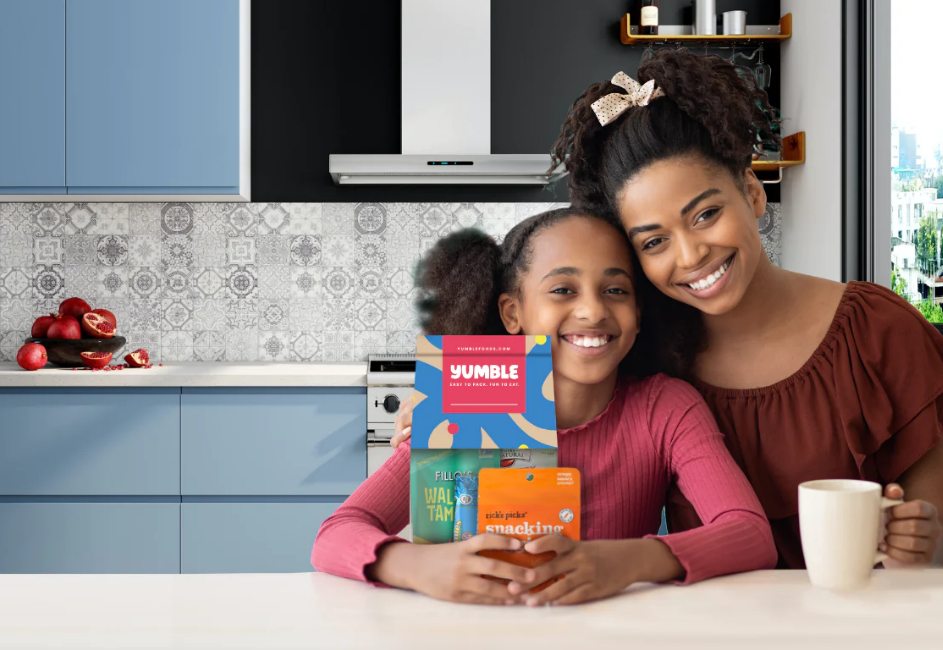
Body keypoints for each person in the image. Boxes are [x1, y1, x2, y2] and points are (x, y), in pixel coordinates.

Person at [545, 48, 943, 567]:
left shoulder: (879, 333)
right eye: (654, 242)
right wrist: (444, 409)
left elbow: (928, 538)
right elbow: (549, 419)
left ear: (752, 192)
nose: (690, 256)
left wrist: (919, 540)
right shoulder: (643, 356)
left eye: (706, 214)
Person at [312, 207, 777, 607]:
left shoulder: (664, 408)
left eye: (616, 290)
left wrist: (626, 561)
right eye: (563, 290)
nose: (593, 311)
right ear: (513, 313)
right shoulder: (467, 400)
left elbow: (750, 535)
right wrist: (417, 565)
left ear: (639, 313)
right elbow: (336, 534)